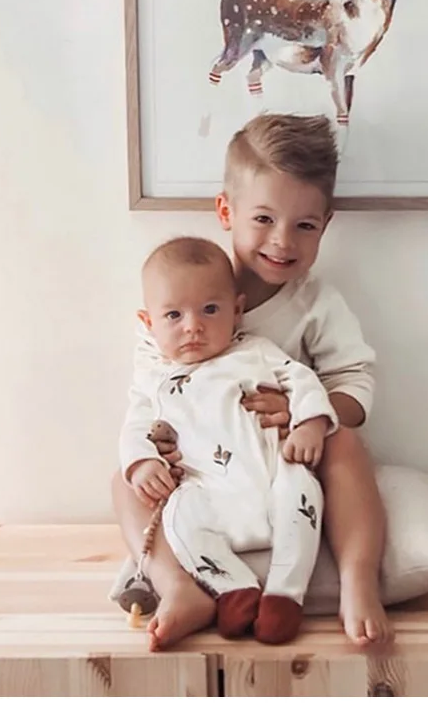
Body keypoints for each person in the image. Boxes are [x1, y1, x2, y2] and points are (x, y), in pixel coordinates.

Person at [112, 112, 393, 650]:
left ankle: (358, 581)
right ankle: (179, 588)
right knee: (123, 480)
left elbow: (356, 382)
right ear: (226, 211)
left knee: (347, 446)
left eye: (304, 226)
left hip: (285, 457)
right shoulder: (176, 296)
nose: (282, 241)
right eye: (264, 219)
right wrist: (152, 452)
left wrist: (308, 414)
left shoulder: (315, 303)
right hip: (204, 469)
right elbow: (147, 398)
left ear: (326, 224)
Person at [120, 236, 337, 644]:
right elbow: (135, 426)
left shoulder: (256, 352)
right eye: (173, 315)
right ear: (149, 323)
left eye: (210, 310)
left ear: (237, 310)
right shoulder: (155, 378)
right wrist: (142, 463)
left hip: (271, 480)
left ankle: (285, 595)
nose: (193, 326)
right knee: (179, 516)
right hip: (208, 493)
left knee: (302, 490)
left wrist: (310, 424)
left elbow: (302, 380)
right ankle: (233, 588)